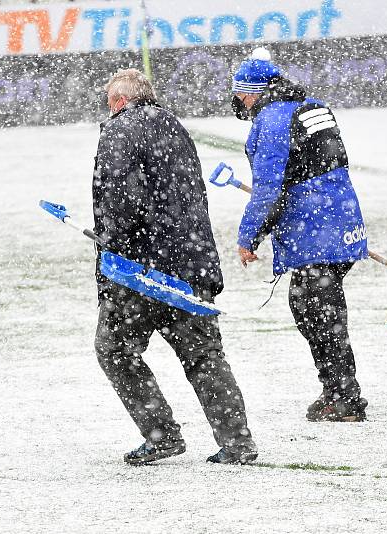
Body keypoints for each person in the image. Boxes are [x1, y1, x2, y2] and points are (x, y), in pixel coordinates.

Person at [92, 68, 257, 465]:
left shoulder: (118, 131)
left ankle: (161, 433)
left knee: (113, 348)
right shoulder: (176, 127)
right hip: (190, 263)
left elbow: (120, 200)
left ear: (118, 101)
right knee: (203, 355)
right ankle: (237, 442)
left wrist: (111, 244)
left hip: (140, 271)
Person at [231, 49, 369, 422]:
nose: (239, 101)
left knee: (318, 310)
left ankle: (344, 397)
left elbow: (267, 190)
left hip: (315, 229)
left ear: (253, 92)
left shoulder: (273, 119)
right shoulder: (311, 105)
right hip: (342, 219)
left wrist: (248, 237)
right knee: (315, 307)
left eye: (241, 93)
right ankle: (338, 390)